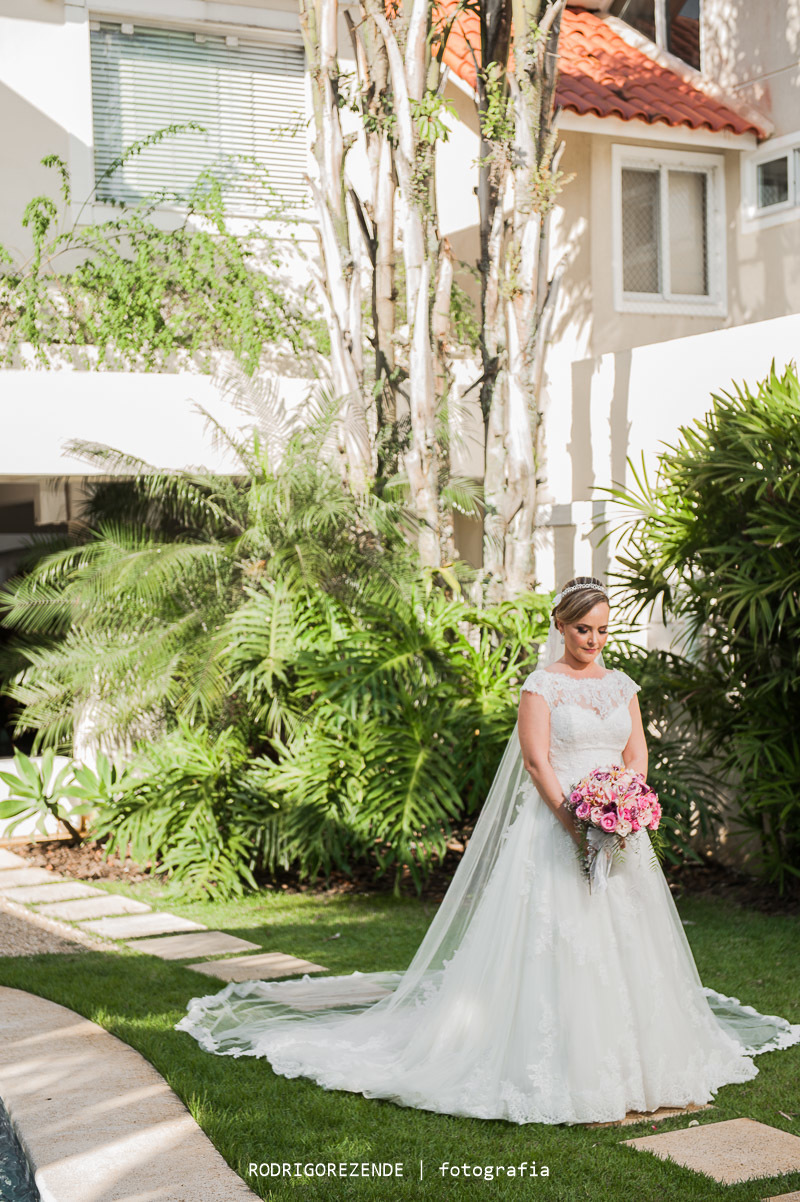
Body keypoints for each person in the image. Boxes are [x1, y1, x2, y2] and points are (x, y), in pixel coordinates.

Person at [176, 576, 800, 1125]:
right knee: (560, 938)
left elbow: (636, 749)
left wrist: (626, 799)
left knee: (630, 937)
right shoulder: (541, 684)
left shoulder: (622, 684)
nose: (595, 640)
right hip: (559, 823)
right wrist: (577, 821)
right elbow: (535, 760)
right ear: (560, 626)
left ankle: (642, 1060)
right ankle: (560, 1064)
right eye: (584, 629)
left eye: (603, 629)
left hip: (620, 827)